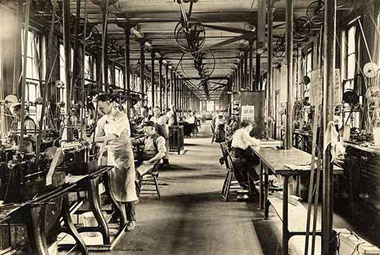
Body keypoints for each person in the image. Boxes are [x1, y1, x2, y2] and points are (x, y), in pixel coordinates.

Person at [93, 94, 138, 231]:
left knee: (127, 187)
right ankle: (119, 216)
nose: (99, 110)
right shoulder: (102, 120)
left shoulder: (121, 117)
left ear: (109, 103)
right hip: (112, 155)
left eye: (101, 107)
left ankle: (131, 219)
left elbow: (113, 136)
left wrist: (96, 140)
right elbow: (96, 136)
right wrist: (89, 139)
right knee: (114, 187)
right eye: (97, 108)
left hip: (124, 154)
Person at [133, 121, 167, 191]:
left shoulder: (159, 139)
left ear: (152, 128)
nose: (144, 131)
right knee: (128, 169)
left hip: (151, 164)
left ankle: (135, 194)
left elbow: (162, 153)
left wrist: (149, 161)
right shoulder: (147, 137)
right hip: (144, 161)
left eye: (146, 129)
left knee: (136, 173)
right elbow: (135, 141)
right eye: (144, 129)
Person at [231, 120, 261, 198]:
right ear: (248, 126)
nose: (251, 128)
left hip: (237, 156)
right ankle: (256, 179)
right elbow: (251, 141)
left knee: (255, 160)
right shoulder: (243, 132)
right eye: (251, 127)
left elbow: (247, 142)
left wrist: (253, 141)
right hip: (240, 158)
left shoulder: (238, 131)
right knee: (257, 161)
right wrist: (258, 141)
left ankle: (255, 181)